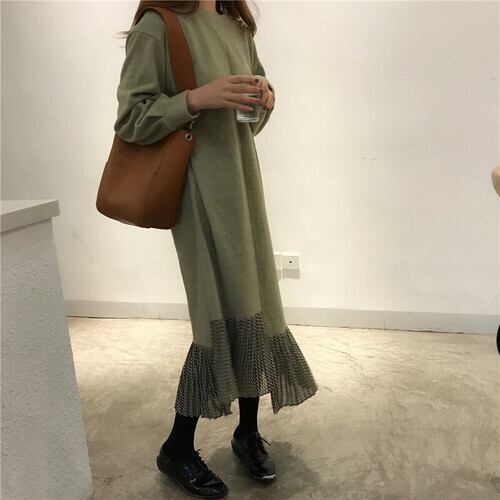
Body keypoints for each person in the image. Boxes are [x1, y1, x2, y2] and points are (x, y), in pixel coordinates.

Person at [114, 1, 319, 497]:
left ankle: (247, 432)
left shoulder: (236, 25)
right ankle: (177, 447)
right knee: (216, 314)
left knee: (254, 303)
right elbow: (131, 119)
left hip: (243, 184)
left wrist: (264, 100)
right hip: (198, 191)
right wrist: (195, 98)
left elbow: (249, 119)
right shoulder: (158, 26)